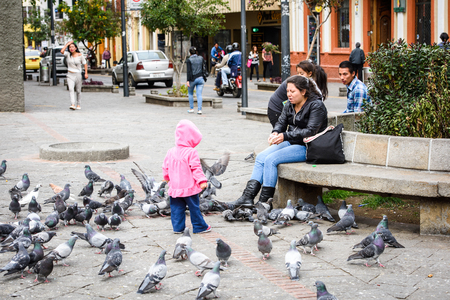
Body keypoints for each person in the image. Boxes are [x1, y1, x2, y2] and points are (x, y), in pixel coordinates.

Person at [227, 75, 328, 208]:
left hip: (308, 146)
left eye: (293, 91)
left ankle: (264, 203)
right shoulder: (289, 104)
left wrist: (284, 136)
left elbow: (310, 131)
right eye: (287, 91)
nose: (289, 95)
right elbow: (281, 122)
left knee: (271, 160)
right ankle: (247, 197)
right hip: (291, 142)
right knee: (261, 157)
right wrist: (275, 132)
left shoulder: (316, 106)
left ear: (303, 91)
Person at [162, 119, 211, 234]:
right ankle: (200, 227)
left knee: (176, 209)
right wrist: (202, 180)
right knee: (194, 208)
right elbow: (196, 168)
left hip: (175, 187)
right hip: (189, 187)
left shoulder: (170, 151)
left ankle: (178, 228)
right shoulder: (191, 152)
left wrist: (166, 177)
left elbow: (165, 166)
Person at [268, 60, 328, 127]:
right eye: (298, 73)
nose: (299, 75)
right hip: (276, 109)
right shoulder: (296, 83)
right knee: (282, 132)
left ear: (310, 74)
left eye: (302, 73)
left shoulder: (307, 83)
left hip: (283, 107)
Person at [61, 41, 88, 110]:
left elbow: (85, 63)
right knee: (71, 89)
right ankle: (72, 104)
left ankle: (78, 104)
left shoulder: (80, 55)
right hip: (70, 74)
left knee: (78, 90)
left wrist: (86, 73)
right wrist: (67, 44)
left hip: (78, 74)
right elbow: (62, 51)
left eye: (73, 47)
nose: (71, 48)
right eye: (70, 47)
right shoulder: (68, 55)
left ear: (76, 48)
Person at [186, 46, 205, 115]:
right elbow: (204, 68)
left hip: (192, 79)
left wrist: (188, 80)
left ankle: (191, 108)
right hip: (201, 78)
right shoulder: (201, 58)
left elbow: (188, 71)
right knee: (199, 94)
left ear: (190, 53)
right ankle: (199, 110)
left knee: (190, 93)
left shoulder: (189, 60)